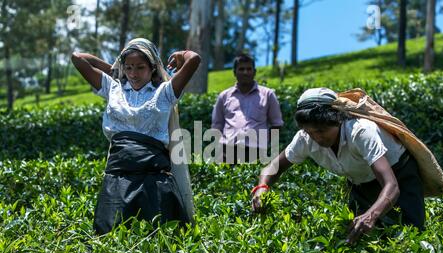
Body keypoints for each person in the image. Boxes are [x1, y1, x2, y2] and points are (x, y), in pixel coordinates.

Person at [252, 87, 427, 244]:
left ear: (338, 119)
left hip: (399, 176)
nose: (317, 138)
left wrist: (371, 215)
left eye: (321, 131)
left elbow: (392, 185)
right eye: (310, 132)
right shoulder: (305, 138)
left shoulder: (361, 131)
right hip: (359, 183)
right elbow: (273, 167)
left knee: (411, 235)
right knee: (359, 238)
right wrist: (261, 188)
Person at [71, 38, 201, 234]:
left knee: (159, 237)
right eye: (129, 67)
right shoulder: (112, 88)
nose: (133, 74)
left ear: (153, 68)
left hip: (153, 177)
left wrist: (182, 54)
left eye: (140, 67)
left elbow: (195, 60)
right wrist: (116, 69)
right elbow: (78, 58)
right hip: (118, 176)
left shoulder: (165, 92)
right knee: (111, 236)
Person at [211, 53, 284, 164]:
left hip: (257, 153)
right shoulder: (224, 96)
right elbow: (217, 125)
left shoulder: (268, 94)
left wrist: (267, 147)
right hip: (227, 152)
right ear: (234, 72)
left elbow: (276, 124)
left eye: (249, 69)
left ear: (254, 72)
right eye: (241, 69)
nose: (245, 72)